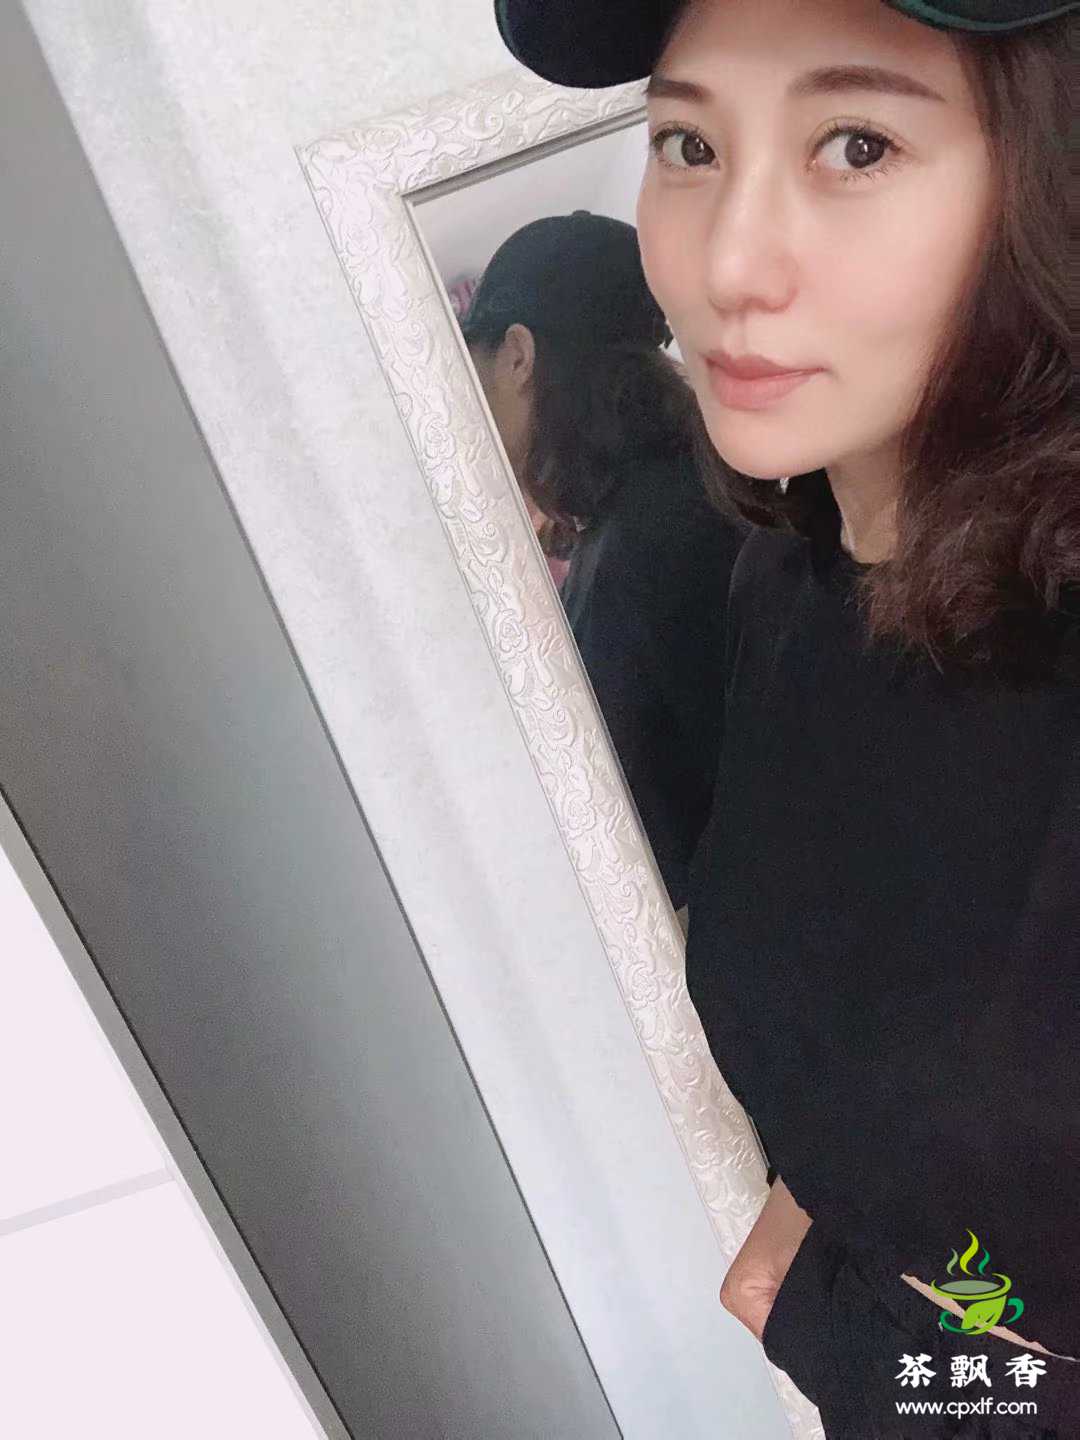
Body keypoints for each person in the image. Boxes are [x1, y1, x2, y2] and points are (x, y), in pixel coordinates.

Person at [494, 1, 1079, 1436]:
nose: (727, 267)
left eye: (857, 144)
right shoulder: (789, 574)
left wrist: (843, 1334)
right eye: (688, 145)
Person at [462, 212, 748, 914]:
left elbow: (758, 801)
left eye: (472, 375)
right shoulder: (666, 505)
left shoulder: (656, 535)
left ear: (518, 356)